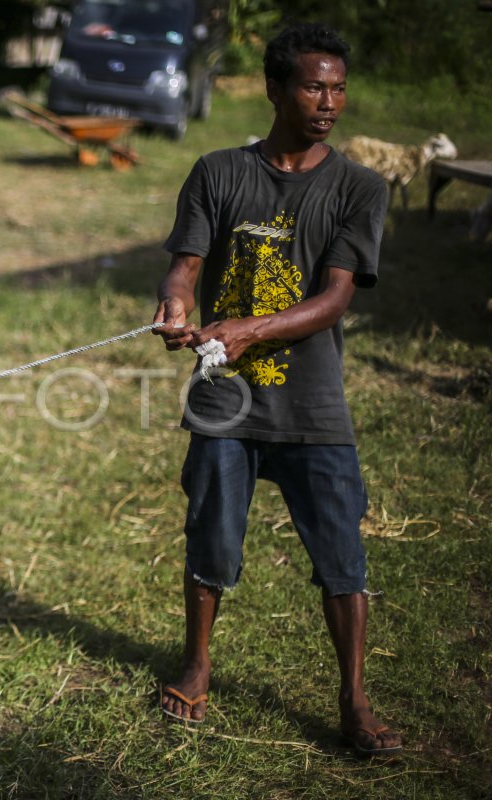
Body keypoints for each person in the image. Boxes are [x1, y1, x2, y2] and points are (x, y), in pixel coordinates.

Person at [151, 22, 403, 755]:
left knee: (340, 553)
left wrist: (249, 330)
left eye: (338, 87)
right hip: (224, 402)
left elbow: (333, 300)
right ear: (274, 89)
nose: (330, 101)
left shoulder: (359, 187)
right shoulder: (218, 171)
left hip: (313, 402)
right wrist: (176, 306)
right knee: (211, 536)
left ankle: (354, 699)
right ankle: (197, 664)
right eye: (313, 85)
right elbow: (185, 267)